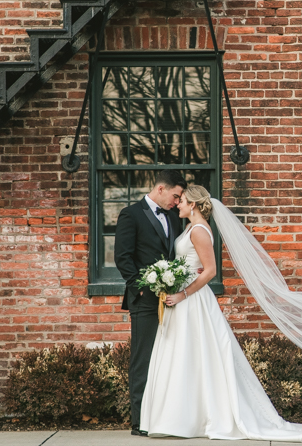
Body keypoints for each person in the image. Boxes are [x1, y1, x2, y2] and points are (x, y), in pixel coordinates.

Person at [139, 186, 302, 441]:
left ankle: (196, 418)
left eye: (181, 201)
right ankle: (180, 417)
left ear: (192, 204)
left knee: (196, 353)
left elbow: (210, 271)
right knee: (186, 355)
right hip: (182, 299)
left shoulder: (200, 231)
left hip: (192, 300)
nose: (177, 204)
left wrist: (183, 294)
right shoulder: (191, 228)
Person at [114, 170, 187, 437]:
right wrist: (143, 289)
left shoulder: (173, 217)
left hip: (173, 300)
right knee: (143, 359)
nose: (177, 202)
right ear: (160, 188)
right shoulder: (130, 214)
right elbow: (122, 257)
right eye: (175, 196)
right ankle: (139, 420)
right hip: (144, 300)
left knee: (169, 359)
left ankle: (165, 417)